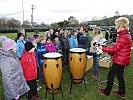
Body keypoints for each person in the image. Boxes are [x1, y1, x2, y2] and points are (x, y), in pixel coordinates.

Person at [98, 17, 132, 98]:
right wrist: (105, 47)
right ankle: (121, 92)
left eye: (116, 25)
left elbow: (115, 49)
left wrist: (102, 48)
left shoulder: (123, 36)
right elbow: (118, 47)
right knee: (120, 76)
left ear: (121, 26)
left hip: (120, 60)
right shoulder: (125, 35)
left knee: (110, 76)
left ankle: (107, 91)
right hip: (122, 60)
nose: (115, 27)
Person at [0, 36, 30, 100]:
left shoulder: (13, 55)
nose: (16, 48)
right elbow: (7, 79)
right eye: (15, 46)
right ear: (10, 48)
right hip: (12, 91)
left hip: (16, 85)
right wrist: (14, 94)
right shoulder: (6, 61)